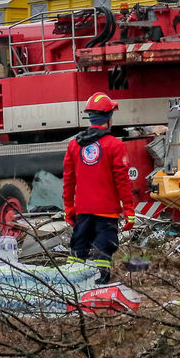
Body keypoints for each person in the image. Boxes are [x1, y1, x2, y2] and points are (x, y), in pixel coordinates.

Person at [62, 93, 136, 284]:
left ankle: (72, 289)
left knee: (77, 252)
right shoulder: (115, 146)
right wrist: (129, 209)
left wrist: (69, 207)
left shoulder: (74, 145)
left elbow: (68, 180)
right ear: (109, 118)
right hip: (107, 213)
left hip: (83, 212)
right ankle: (100, 290)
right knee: (103, 253)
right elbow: (122, 180)